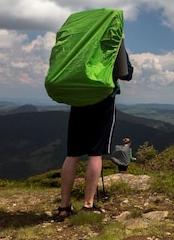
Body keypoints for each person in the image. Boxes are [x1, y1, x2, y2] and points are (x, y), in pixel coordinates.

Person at [57, 43, 133, 218]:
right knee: (95, 153)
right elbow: (126, 73)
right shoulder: (112, 41)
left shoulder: (83, 40)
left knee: (72, 154)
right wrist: (121, 43)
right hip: (103, 99)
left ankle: (64, 207)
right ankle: (88, 205)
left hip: (79, 97)